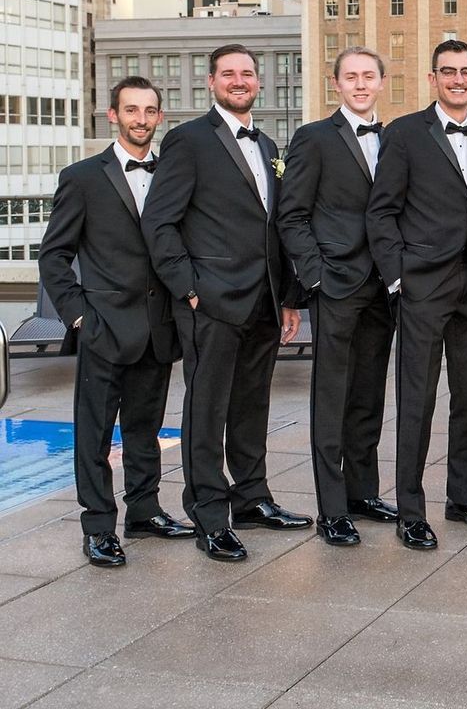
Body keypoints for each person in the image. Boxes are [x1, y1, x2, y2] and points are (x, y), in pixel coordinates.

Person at [143, 45, 311, 562]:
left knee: (251, 405)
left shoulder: (267, 144)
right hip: (210, 302)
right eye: (229, 74)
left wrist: (288, 296)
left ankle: (252, 498)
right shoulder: (188, 140)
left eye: (248, 73)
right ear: (212, 82)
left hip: (264, 300)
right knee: (207, 410)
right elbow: (159, 221)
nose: (240, 81)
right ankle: (209, 514)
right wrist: (189, 288)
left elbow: (275, 227)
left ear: (259, 82)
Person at [39, 77, 194, 567]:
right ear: (113, 115)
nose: (140, 120)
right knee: (95, 434)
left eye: (149, 111)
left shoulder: (174, 172)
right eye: (131, 110)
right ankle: (99, 527)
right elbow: (53, 256)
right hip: (103, 327)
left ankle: (144, 511)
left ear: (160, 117)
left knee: (146, 429)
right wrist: (79, 316)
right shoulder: (82, 177)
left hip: (159, 326)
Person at [367, 39, 467, 550]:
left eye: (466, 71)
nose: (458, 80)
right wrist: (398, 276)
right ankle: (410, 511)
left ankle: (464, 499)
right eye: (448, 71)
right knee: (416, 400)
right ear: (433, 79)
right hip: (422, 284)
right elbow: (381, 211)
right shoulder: (404, 133)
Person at [277, 46, 397, 547]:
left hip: (383, 288)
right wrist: (316, 277)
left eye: (369, 76)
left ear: (382, 83)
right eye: (351, 77)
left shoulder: (394, 139)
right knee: (331, 398)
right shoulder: (314, 138)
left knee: (369, 394)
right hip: (336, 285)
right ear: (336, 84)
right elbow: (291, 215)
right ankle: (332, 509)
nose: (361, 84)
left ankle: (362, 493)